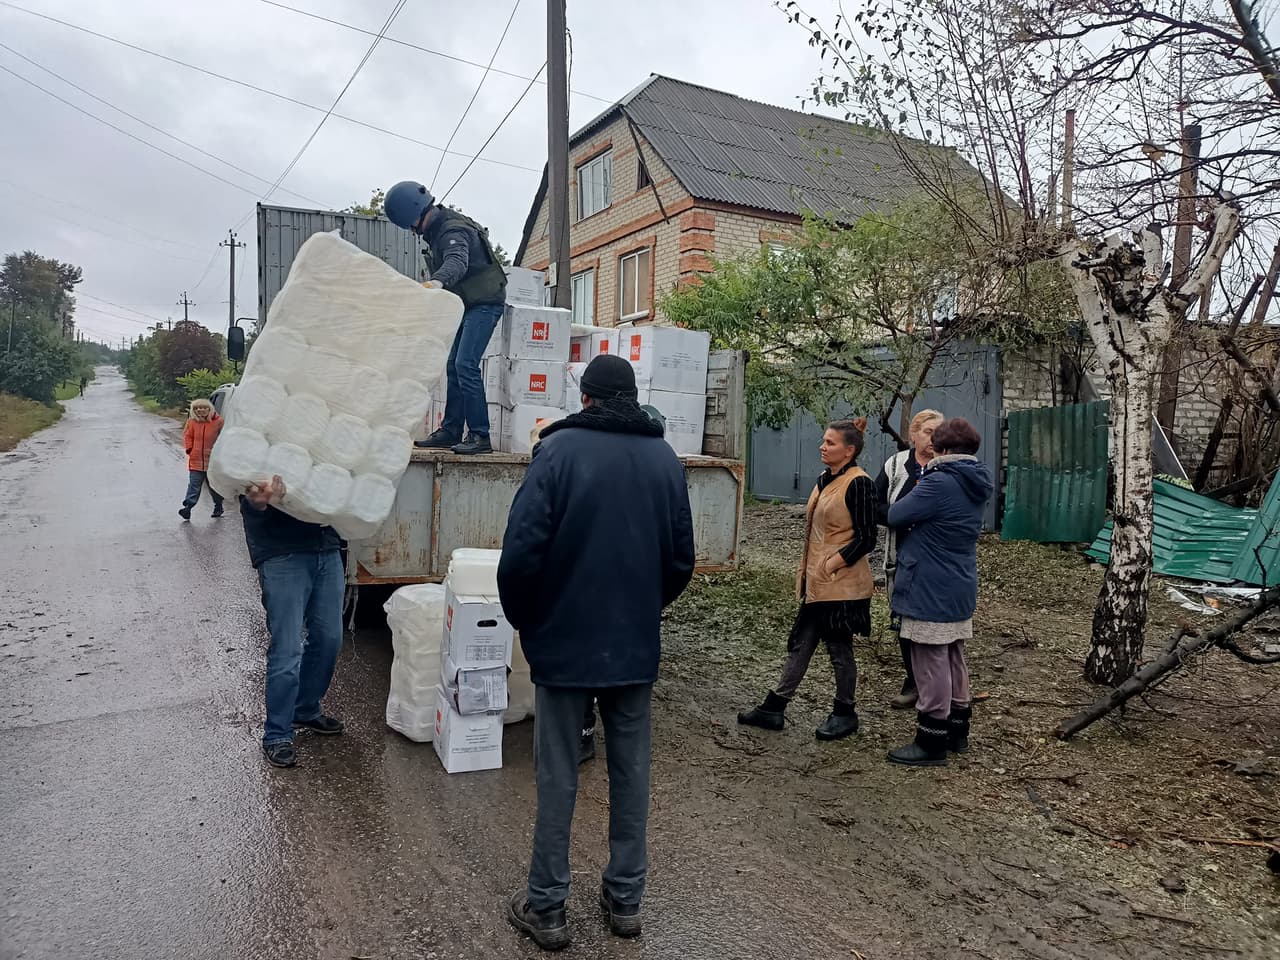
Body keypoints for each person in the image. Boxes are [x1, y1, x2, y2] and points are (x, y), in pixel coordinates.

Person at [497, 355, 695, 951]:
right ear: (632, 398)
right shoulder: (664, 459)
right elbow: (680, 559)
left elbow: (520, 552)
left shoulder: (557, 453)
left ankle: (548, 906)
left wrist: (530, 618)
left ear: (584, 398)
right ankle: (625, 899)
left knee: (559, 772)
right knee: (632, 771)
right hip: (633, 644)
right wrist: (643, 610)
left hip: (564, 641)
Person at [738, 419, 877, 741]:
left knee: (839, 649)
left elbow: (867, 537)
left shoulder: (860, 483)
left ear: (849, 450)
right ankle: (774, 707)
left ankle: (845, 713)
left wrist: (831, 564)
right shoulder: (824, 479)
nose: (822, 446)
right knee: (802, 642)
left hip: (841, 584)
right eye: (823, 441)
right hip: (818, 582)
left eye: (830, 443)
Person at [885, 418, 993, 767]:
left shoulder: (940, 482)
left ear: (942, 449)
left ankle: (931, 740)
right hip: (959, 581)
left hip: (929, 584)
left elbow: (897, 514)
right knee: (953, 658)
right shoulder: (974, 480)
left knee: (930, 662)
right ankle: (957, 731)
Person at [385, 180, 508, 456]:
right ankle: (451, 430)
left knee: (466, 364)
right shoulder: (438, 228)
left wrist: (436, 283)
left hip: (485, 302)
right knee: (453, 365)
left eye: (409, 225)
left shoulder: (452, 229)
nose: (411, 230)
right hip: (468, 302)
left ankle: (480, 435)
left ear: (413, 215)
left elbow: (457, 261)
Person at [240, 475, 346, 769]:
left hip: (325, 545)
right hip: (281, 551)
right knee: (288, 648)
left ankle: (306, 709)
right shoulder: (264, 437)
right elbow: (247, 493)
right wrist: (256, 502)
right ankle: (277, 734)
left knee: (330, 639)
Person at [874, 408, 945, 709]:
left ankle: (937, 685)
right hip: (900, 556)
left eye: (939, 433)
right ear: (914, 435)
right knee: (904, 622)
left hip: (935, 560)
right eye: (928, 432)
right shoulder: (896, 466)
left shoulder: (946, 468)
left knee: (933, 624)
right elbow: (874, 503)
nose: (933, 440)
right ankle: (913, 679)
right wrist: (897, 517)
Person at [180, 398, 225, 520]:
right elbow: (188, 436)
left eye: (203, 407)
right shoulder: (192, 422)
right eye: (197, 408)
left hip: (213, 461)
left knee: (213, 487)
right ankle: (187, 508)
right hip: (196, 460)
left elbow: (224, 439)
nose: (200, 410)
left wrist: (220, 453)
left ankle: (218, 506)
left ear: (209, 408)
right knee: (194, 485)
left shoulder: (219, 421)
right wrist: (190, 449)